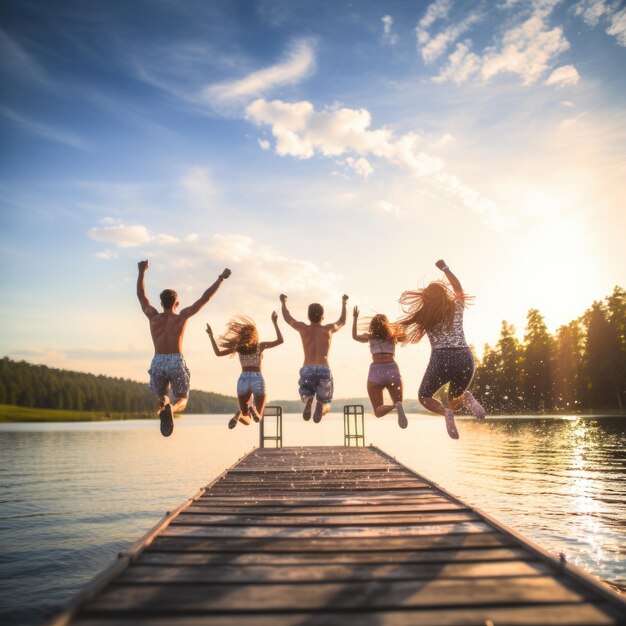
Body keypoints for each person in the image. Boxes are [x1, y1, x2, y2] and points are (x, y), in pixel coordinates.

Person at [136, 260, 231, 437]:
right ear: (176, 303)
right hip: (175, 360)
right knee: (182, 398)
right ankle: (172, 408)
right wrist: (220, 279)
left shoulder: (153, 317)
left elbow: (141, 297)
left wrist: (142, 271)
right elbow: (205, 299)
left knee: (162, 395)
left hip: (158, 360)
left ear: (161, 302)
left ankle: (165, 405)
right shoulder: (181, 318)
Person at [397, 259, 485, 439]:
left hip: (441, 358)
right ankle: (466, 397)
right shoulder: (456, 308)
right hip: (464, 357)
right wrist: (445, 268)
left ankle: (446, 413)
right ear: (444, 294)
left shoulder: (425, 315)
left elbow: (402, 329)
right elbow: (458, 288)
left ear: (426, 299)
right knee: (456, 399)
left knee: (424, 396)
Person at [206, 313, 284, 429]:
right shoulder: (260, 346)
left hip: (243, 379)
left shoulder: (239, 347)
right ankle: (255, 412)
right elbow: (280, 340)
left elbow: (218, 353)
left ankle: (239, 415)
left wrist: (211, 336)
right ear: (254, 335)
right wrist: (275, 322)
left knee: (246, 417)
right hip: (257, 378)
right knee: (259, 415)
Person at [280, 293, 348, 422]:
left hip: (308, 368)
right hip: (324, 368)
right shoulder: (328, 329)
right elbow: (342, 321)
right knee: (326, 401)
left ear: (308, 316)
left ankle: (308, 400)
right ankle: (321, 407)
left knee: (305, 392)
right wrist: (344, 303)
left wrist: (283, 302)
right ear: (323, 316)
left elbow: (287, 318)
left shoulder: (303, 328)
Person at [352, 308, 408, 428]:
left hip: (376, 371)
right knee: (399, 401)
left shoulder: (370, 337)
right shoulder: (393, 336)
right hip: (392, 368)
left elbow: (355, 336)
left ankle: (394, 407)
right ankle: (397, 405)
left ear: (372, 325)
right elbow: (406, 337)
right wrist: (401, 325)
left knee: (378, 411)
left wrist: (355, 318)